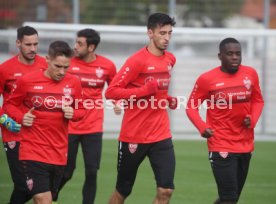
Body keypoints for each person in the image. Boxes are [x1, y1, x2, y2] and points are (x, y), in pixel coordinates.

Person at [105, 13, 177, 204]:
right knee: (123, 191)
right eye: (162, 33)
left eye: (170, 33)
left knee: (166, 190)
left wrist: (167, 99)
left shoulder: (170, 59)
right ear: (150, 33)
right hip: (133, 136)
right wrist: (144, 91)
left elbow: (157, 92)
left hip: (161, 134)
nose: (167, 37)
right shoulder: (136, 60)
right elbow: (111, 92)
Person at [5, 40, 86, 204]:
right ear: (47, 60)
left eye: (66, 67)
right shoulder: (27, 81)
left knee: (44, 199)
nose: (62, 71)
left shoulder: (74, 82)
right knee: (43, 199)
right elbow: (9, 105)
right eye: (57, 66)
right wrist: (21, 117)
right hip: (32, 149)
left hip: (58, 152)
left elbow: (82, 110)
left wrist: (74, 113)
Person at [186, 37, 264, 204]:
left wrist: (253, 119)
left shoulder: (250, 74)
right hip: (220, 143)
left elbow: (258, 100)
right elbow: (191, 107)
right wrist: (202, 127)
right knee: (229, 197)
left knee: (230, 198)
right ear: (220, 56)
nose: (235, 57)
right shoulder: (207, 79)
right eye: (229, 54)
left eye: (238, 54)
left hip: (245, 143)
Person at [53, 28, 120, 204]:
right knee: (67, 171)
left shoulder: (107, 66)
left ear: (91, 47)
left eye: (80, 44)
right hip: (70, 125)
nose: (75, 47)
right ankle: (50, 197)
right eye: (76, 42)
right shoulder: (68, 64)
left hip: (93, 126)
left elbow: (114, 89)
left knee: (92, 171)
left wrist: (117, 103)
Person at [0, 25, 47, 204]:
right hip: (14, 133)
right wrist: (5, 120)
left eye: (36, 44)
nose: (33, 49)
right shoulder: (5, 69)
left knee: (40, 186)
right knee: (23, 186)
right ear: (18, 43)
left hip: (39, 135)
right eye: (28, 44)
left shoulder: (45, 65)